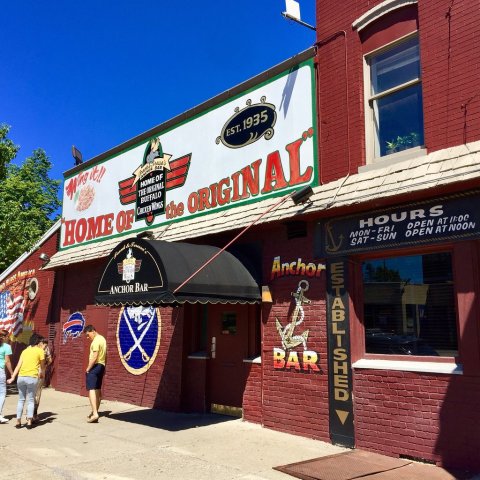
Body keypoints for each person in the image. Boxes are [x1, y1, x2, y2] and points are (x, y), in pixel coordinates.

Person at [7, 333, 45, 429]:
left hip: (21, 377)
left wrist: (12, 377)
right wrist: (42, 373)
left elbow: (18, 366)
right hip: (32, 377)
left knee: (21, 400)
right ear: (38, 342)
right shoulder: (40, 351)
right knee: (31, 400)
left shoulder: (25, 351)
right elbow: (42, 366)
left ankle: (18, 421)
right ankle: (29, 422)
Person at [83, 325, 107, 423]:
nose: (88, 338)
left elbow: (95, 355)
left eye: (88, 335)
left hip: (95, 366)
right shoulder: (103, 339)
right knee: (97, 389)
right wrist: (105, 367)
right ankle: (95, 411)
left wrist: (88, 368)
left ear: (93, 331)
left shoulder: (96, 341)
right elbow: (106, 355)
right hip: (101, 366)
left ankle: (95, 413)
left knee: (91, 389)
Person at [33, 336, 52, 422]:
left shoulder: (30, 348)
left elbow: (50, 359)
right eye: (44, 345)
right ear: (41, 343)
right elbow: (50, 360)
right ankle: (34, 413)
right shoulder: (44, 349)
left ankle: (33, 413)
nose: (45, 346)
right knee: (36, 394)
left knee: (34, 394)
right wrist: (44, 366)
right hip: (39, 373)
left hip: (33, 373)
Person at [0, 329, 14, 424]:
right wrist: (12, 373)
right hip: (0, 371)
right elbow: (7, 361)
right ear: (4, 337)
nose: (8, 338)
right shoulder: (6, 347)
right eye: (7, 336)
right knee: (2, 393)